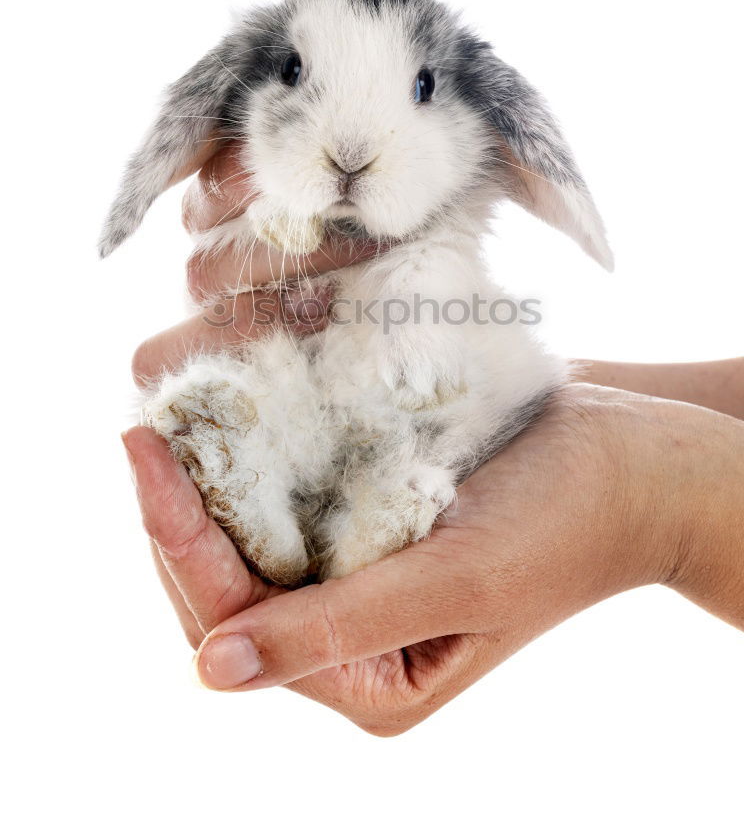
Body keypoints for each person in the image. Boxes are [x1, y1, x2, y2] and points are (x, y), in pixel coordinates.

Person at [122, 143, 744, 736]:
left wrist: (662, 491)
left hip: (428, 409)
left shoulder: (451, 182)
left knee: (437, 394)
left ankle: (374, 520)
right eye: (294, 77)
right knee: (277, 375)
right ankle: (256, 478)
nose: (351, 151)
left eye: (420, 88)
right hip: (361, 378)